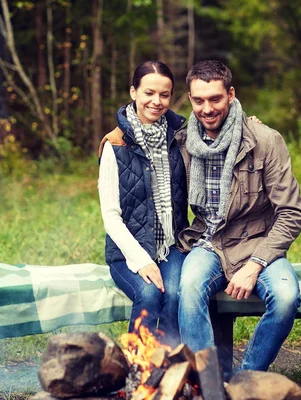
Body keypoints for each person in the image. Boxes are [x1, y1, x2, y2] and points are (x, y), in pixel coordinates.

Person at [177, 60, 301, 372]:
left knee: (287, 296)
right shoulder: (183, 141)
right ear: (190, 99)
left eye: (215, 99)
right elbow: (146, 119)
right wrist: (117, 134)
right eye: (198, 100)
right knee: (190, 287)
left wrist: (254, 265)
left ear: (231, 94)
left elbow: (292, 212)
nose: (207, 108)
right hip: (208, 242)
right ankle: (207, 382)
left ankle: (247, 379)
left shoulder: (264, 140)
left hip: (257, 243)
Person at [97, 61, 189, 345]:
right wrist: (141, 262)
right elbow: (111, 216)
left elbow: (218, 125)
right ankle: (138, 373)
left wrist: (251, 124)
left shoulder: (180, 136)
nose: (156, 101)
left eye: (164, 94)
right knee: (149, 294)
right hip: (128, 253)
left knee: (175, 294)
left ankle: (172, 365)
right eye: (149, 93)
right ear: (134, 92)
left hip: (171, 246)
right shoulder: (115, 145)